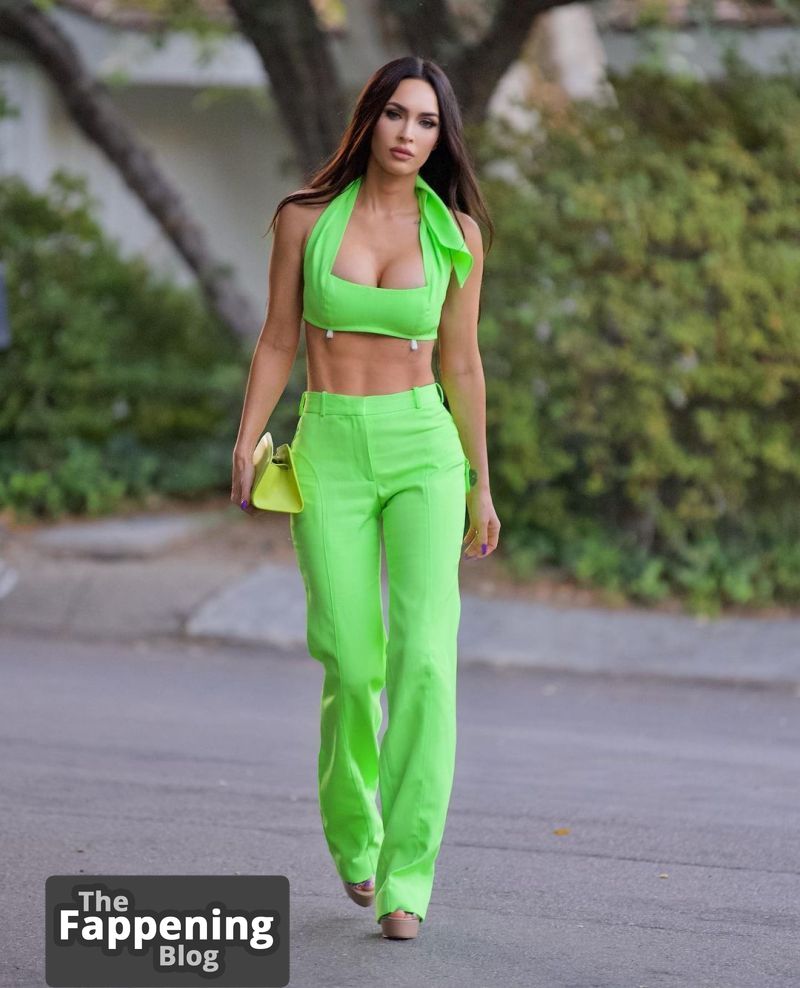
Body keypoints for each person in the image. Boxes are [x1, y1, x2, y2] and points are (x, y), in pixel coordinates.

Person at [231, 55, 500, 941]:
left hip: (425, 448)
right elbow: (278, 338)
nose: (408, 134)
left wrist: (482, 483)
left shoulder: (456, 233)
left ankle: (406, 879)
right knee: (351, 661)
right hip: (332, 444)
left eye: (426, 121)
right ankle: (356, 832)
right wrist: (246, 437)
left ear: (441, 137)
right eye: (395, 115)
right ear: (370, 119)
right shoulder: (305, 219)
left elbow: (464, 364)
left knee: (425, 661)